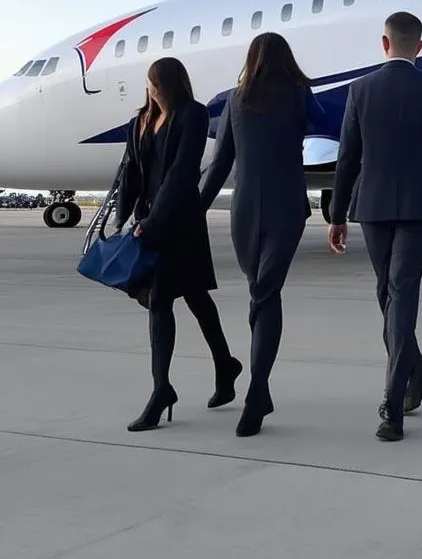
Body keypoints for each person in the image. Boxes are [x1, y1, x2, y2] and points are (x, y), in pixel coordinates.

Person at [327, 11, 422, 442]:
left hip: (373, 204)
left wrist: (336, 214)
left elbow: (347, 156)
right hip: (420, 203)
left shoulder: (360, 89)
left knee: (394, 291)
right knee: (393, 292)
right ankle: (414, 363)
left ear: (384, 44)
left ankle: (392, 404)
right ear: (419, 47)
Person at [200, 32, 325, 437]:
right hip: (287, 206)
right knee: (264, 294)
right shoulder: (301, 95)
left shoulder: (237, 100)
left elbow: (220, 164)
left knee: (260, 292)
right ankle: (258, 388)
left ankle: (257, 391)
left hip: (246, 209)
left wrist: (194, 210)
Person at [115, 57, 239, 432]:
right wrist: (122, 218)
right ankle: (224, 364)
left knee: (166, 300)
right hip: (147, 224)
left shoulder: (193, 115)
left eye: (153, 82)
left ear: (166, 83)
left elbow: (183, 172)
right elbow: (130, 172)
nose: (149, 88)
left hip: (178, 223)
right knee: (192, 296)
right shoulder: (140, 121)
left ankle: (160, 390)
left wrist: (155, 222)